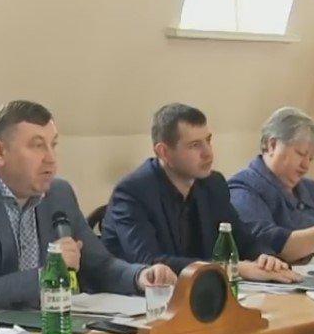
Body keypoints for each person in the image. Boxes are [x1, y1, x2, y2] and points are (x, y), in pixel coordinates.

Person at [0, 100, 176, 317]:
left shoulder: (59, 193)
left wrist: (140, 276)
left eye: (54, 144)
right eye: (37, 145)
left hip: (38, 330)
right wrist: (46, 275)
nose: (50, 158)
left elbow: (100, 265)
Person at [102, 103, 298, 282]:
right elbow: (150, 262)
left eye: (208, 140)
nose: (208, 153)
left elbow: (242, 239)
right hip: (135, 300)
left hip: (201, 292)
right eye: (195, 145)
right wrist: (231, 268)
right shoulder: (132, 192)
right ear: (163, 152)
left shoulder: (212, 184)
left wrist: (265, 258)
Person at [228, 107, 314, 262]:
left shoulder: (311, 188)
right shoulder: (242, 188)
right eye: (300, 154)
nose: (306, 165)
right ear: (272, 145)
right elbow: (268, 246)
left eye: (311, 159)